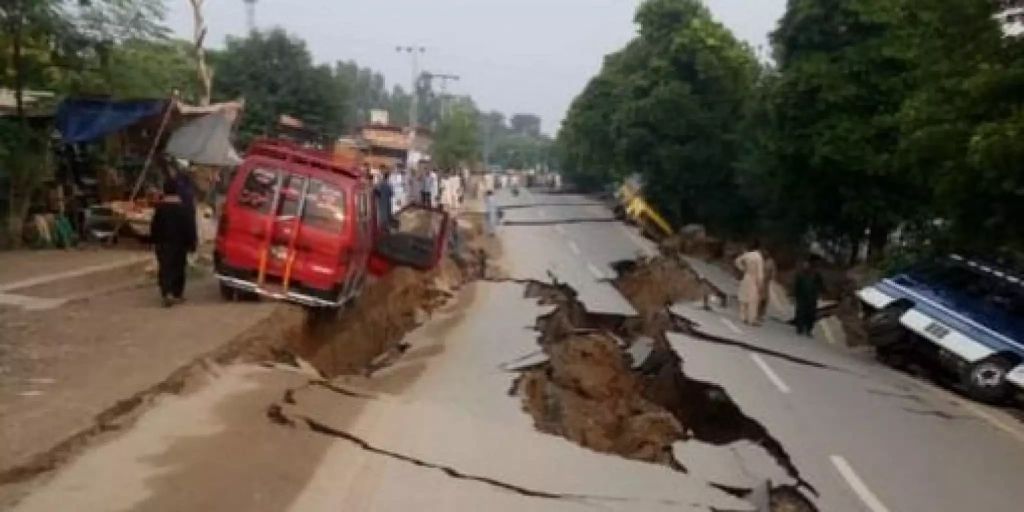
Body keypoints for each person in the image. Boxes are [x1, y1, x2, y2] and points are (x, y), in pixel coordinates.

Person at [150, 180, 197, 307]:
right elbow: (189, 227)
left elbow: (154, 227)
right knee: (178, 268)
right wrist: (192, 243)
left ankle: (167, 293)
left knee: (165, 268)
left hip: (163, 244)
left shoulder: (160, 209)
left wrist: (153, 240)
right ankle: (177, 293)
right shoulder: (183, 208)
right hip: (180, 244)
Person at [734, 240, 765, 325]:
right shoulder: (758, 257)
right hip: (754, 278)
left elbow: (737, 261)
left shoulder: (747, 255)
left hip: (746, 276)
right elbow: (760, 272)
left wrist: (743, 269)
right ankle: (752, 319)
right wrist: (760, 284)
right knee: (753, 299)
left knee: (743, 296)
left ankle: (743, 317)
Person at [793, 256, 824, 336]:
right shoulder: (803, 272)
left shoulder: (817, 275)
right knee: (801, 312)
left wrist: (821, 293)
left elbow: (821, 286)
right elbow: (797, 283)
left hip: (812, 297)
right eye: (816, 263)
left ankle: (808, 329)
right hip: (802, 296)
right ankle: (800, 327)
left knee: (811, 314)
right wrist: (794, 295)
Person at [758, 249, 777, 323]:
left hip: (766, 283)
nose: (765, 254)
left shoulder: (771, 262)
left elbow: (773, 273)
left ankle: (762, 314)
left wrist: (771, 278)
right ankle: (756, 313)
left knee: (764, 300)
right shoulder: (759, 260)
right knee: (757, 298)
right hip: (758, 281)